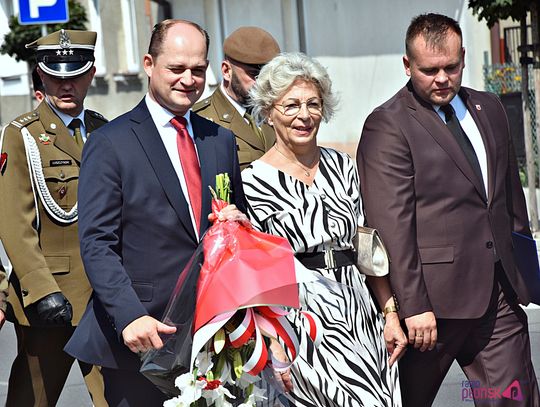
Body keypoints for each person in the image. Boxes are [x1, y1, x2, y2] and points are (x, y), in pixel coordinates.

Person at [357, 13, 540, 406]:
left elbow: (509, 197)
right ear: (407, 65)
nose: (442, 78)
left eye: (451, 67)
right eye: (429, 70)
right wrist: (414, 305)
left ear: (463, 59)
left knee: (512, 397)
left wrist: (524, 273)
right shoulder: (388, 125)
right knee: (405, 400)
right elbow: (392, 225)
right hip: (430, 311)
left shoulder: (489, 107)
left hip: (498, 297)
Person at [64, 19, 247, 406]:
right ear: (149, 64)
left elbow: (237, 223)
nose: (189, 80)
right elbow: (97, 243)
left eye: (198, 69)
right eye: (176, 68)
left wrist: (239, 224)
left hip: (213, 333)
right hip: (143, 336)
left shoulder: (220, 139)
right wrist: (129, 316)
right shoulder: (111, 143)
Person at [242, 52, 406, 407]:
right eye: (291, 105)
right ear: (269, 112)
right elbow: (256, 277)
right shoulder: (252, 183)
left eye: (313, 104)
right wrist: (273, 342)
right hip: (301, 323)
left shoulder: (343, 165)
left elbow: (366, 249)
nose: (304, 115)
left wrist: (390, 314)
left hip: (358, 314)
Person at [0, 29, 108, 406]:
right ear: (41, 77)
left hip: (105, 297)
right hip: (52, 301)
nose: (66, 85)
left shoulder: (104, 129)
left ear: (90, 74)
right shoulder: (22, 136)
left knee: (118, 398)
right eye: (56, 76)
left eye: (75, 75)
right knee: (32, 400)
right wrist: (41, 289)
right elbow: (15, 223)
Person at [193, 26, 279, 169]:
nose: (262, 83)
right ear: (226, 71)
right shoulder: (201, 120)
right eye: (254, 75)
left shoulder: (275, 112)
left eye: (268, 76)